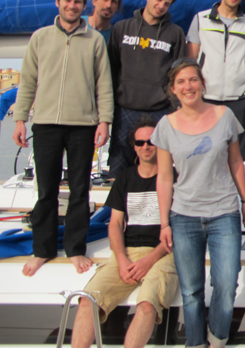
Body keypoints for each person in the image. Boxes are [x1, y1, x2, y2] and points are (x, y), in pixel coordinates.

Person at [13, 0, 113, 276]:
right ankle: (42, 250)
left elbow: (104, 83)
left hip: (83, 125)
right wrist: (20, 119)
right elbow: (27, 81)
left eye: (77, 2)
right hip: (45, 124)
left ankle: (75, 248)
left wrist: (104, 121)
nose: (72, 6)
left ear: (84, 5)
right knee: (46, 190)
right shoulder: (40, 37)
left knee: (80, 190)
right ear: (58, 2)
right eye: (67, 0)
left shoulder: (95, 40)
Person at [154, 59, 245, 348]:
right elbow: (164, 178)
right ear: (173, 89)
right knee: (191, 291)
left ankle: (218, 339)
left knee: (226, 284)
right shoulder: (165, 126)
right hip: (183, 216)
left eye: (193, 80)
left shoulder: (225, 116)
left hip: (224, 212)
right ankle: (196, 343)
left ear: (202, 83)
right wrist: (164, 223)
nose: (188, 86)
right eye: (181, 82)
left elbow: (236, 161)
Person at [71, 118, 178, 348]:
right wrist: (121, 260)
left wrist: (149, 261)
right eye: (140, 142)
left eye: (152, 141)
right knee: (89, 300)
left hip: (164, 253)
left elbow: (179, 229)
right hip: (128, 253)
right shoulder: (125, 178)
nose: (146, 146)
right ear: (134, 147)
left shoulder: (175, 179)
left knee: (147, 305)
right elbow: (115, 224)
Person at [108, 0, 185, 178]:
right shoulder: (121, 28)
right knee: (119, 169)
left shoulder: (175, 33)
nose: (161, 6)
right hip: (125, 109)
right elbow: (112, 69)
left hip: (159, 110)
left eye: (166, 3)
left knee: (159, 168)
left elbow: (179, 74)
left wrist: (174, 108)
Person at [187, 0, 245, 161]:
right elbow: (190, 61)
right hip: (206, 97)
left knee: (237, 157)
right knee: (203, 154)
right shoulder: (201, 19)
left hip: (238, 99)